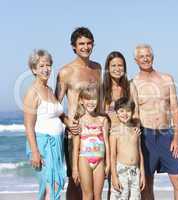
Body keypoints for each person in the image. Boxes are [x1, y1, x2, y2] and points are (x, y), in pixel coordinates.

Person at [132, 44, 178, 200]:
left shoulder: (166, 79)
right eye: (141, 56)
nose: (145, 58)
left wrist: (176, 138)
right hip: (145, 136)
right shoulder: (133, 83)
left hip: (166, 135)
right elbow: (131, 113)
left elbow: (175, 109)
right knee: (147, 184)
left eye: (148, 55)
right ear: (136, 60)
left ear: (153, 57)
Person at [55, 27, 102, 200]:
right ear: (74, 47)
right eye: (81, 44)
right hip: (75, 133)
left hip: (95, 133)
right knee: (75, 182)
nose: (85, 47)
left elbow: (99, 101)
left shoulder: (97, 68)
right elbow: (54, 104)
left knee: (94, 184)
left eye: (89, 43)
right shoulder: (66, 71)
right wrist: (67, 122)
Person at [24, 49, 72, 199]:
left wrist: (71, 123)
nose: (46, 69)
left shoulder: (50, 90)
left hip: (57, 143)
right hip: (43, 143)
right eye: (41, 66)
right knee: (49, 186)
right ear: (34, 69)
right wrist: (35, 152)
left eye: (48, 65)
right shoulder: (33, 92)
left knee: (57, 182)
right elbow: (28, 126)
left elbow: (58, 114)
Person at [103, 51, 140, 199]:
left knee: (131, 189)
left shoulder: (130, 86)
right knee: (114, 186)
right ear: (108, 68)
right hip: (111, 139)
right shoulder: (103, 89)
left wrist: (133, 127)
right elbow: (100, 116)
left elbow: (136, 112)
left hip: (127, 139)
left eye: (120, 65)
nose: (117, 68)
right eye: (113, 65)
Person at [72, 88, 110, 200]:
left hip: (100, 161)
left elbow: (106, 143)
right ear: (81, 101)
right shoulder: (79, 121)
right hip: (84, 160)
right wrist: (74, 168)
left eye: (94, 99)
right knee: (87, 195)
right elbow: (76, 147)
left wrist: (108, 164)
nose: (91, 102)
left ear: (98, 101)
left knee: (98, 196)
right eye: (87, 99)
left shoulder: (103, 120)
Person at [109, 97, 145, 200]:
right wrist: (114, 177)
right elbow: (112, 155)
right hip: (121, 171)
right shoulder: (114, 132)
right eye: (121, 111)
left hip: (135, 171)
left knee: (136, 198)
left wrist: (142, 174)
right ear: (116, 112)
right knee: (121, 197)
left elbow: (140, 153)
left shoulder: (136, 131)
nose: (125, 114)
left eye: (128, 111)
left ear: (132, 112)